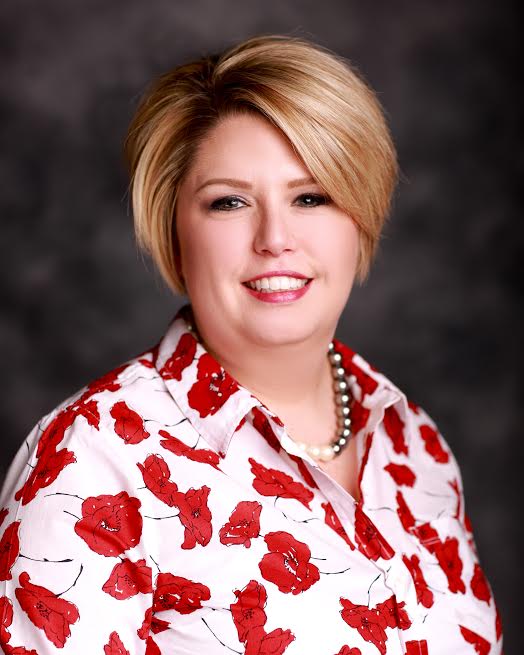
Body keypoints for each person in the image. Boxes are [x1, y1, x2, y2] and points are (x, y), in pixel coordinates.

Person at [0, 34, 502, 655]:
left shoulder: (414, 442)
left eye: (311, 197)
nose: (275, 238)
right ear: (174, 229)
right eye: (229, 202)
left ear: (362, 218)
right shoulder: (90, 462)